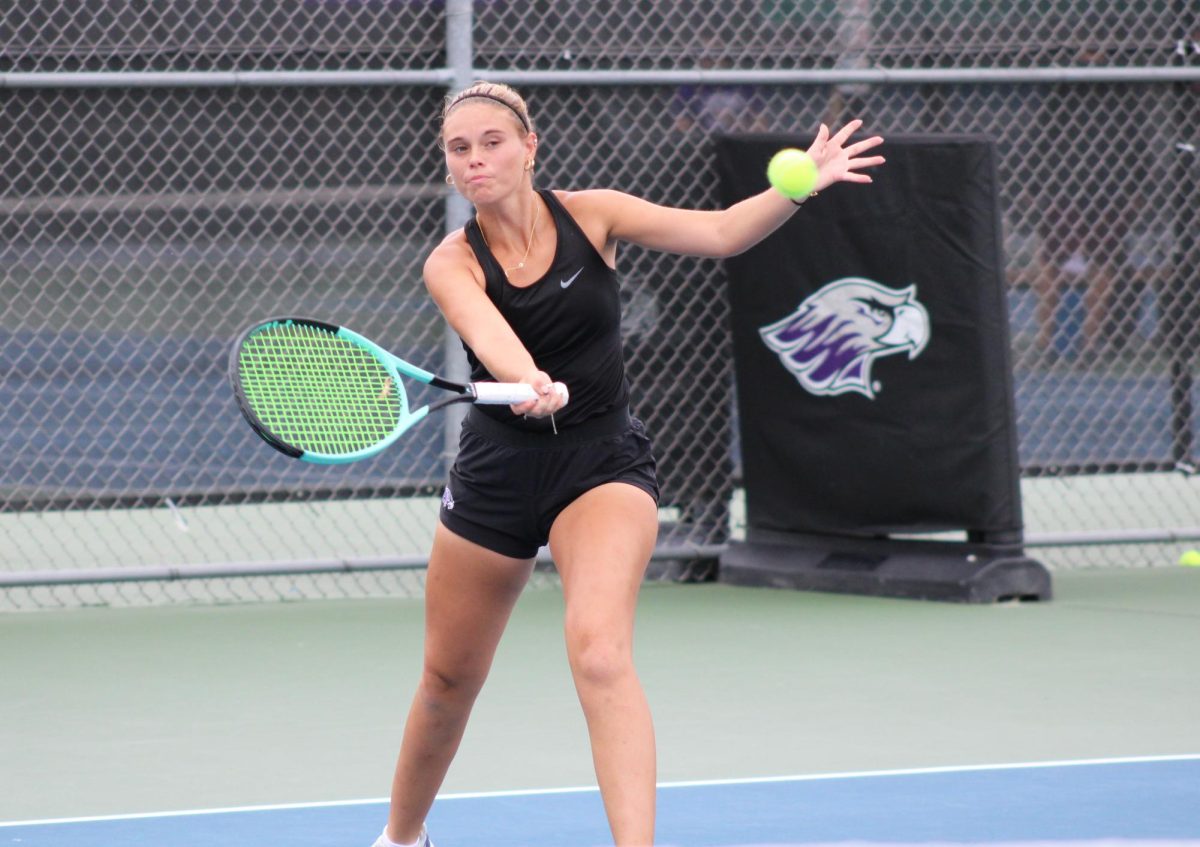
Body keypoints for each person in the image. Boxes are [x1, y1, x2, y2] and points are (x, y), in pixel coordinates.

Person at [372, 81, 885, 847]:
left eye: (492, 142)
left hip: (601, 465)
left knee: (601, 653)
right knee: (447, 682)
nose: (476, 159)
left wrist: (799, 184)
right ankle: (403, 837)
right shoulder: (450, 262)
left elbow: (720, 232)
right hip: (496, 475)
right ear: (448, 167)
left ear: (529, 146)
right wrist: (526, 380)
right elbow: (486, 331)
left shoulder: (595, 213)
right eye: (459, 148)